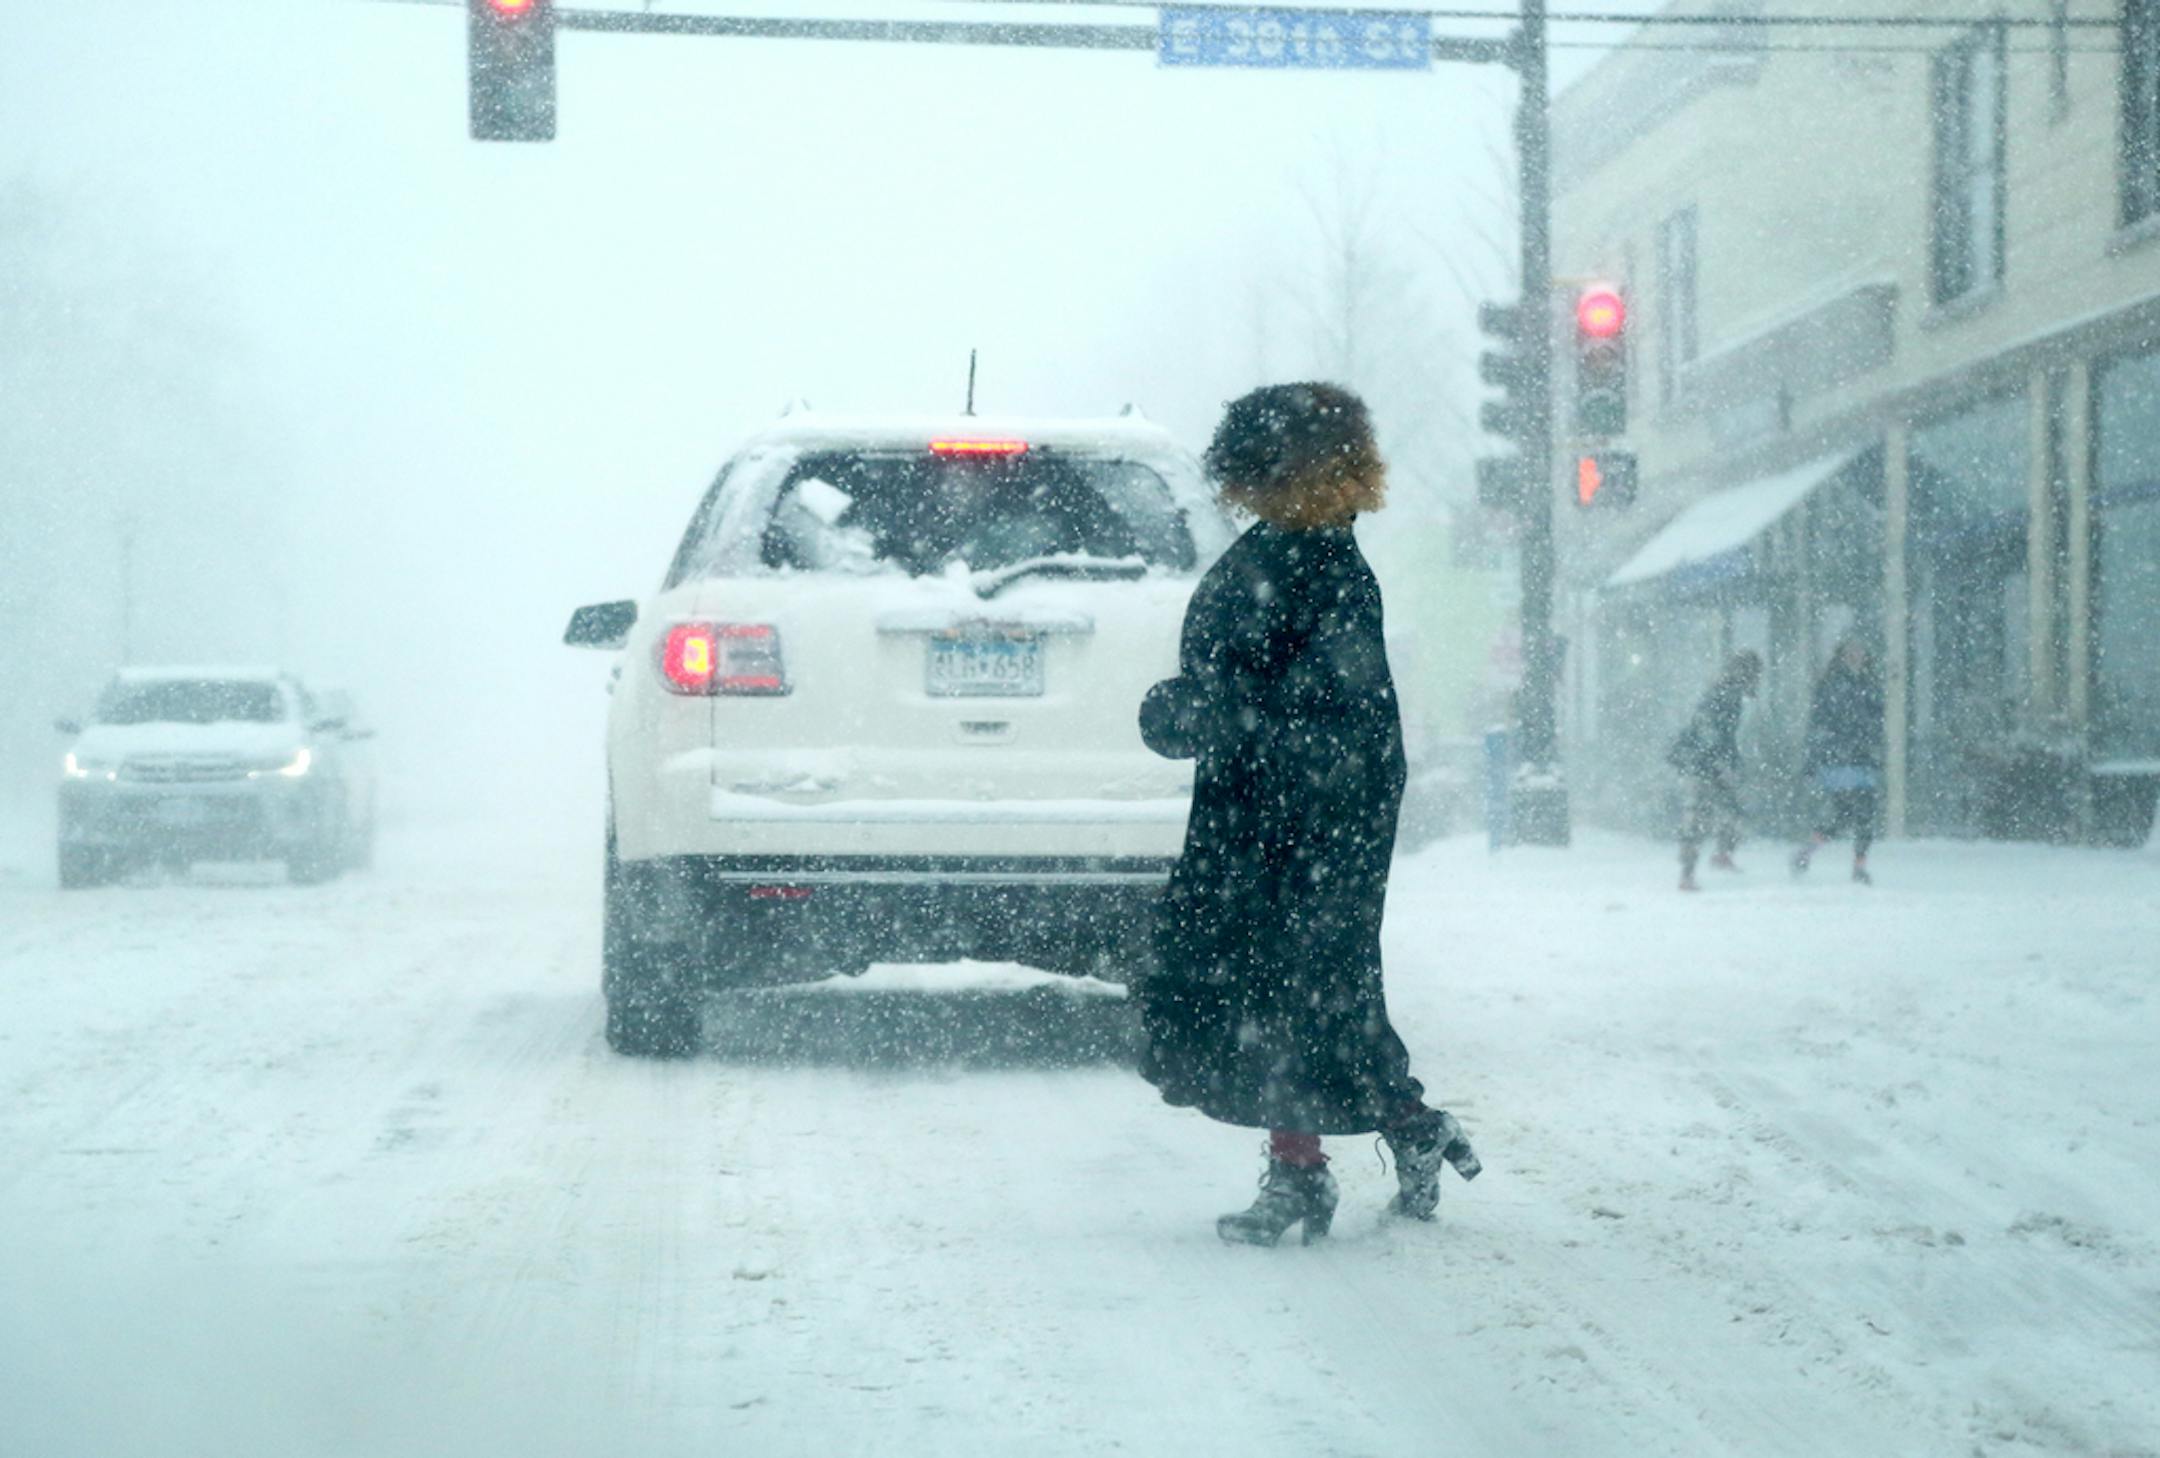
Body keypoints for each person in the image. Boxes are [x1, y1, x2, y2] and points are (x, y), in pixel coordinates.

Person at [1133, 382, 1479, 1248]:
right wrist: (1202, 712)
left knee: (1298, 993)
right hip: (1270, 813)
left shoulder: (1322, 567)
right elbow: (1264, 693)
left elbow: (1331, 711)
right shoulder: (1285, 550)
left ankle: (1302, 1176)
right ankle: (1407, 1129)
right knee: (1309, 996)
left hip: (1311, 820)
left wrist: (1213, 716)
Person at [1791, 638, 1886, 885]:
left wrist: (1873, 748)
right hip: (1839, 759)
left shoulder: (1869, 683)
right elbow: (1819, 722)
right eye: (1851, 651)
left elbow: (1876, 720)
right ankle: (1847, 863)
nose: (1856, 655)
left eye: (1860, 650)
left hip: (1861, 758)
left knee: (1856, 814)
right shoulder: (1832, 684)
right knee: (1850, 812)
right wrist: (1815, 758)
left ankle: (1852, 864)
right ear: (1841, 655)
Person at [1667, 649, 1763, 892]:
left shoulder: (1725, 694)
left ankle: (1714, 858)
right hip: (1705, 765)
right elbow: (1712, 733)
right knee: (1704, 817)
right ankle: (1689, 873)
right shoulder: (1725, 696)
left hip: (1704, 763)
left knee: (1718, 813)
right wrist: (1720, 763)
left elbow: (1715, 733)